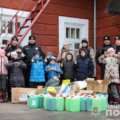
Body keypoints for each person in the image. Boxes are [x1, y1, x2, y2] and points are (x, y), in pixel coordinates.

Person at [5, 36, 18, 101]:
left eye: (16, 41)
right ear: (11, 41)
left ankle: (17, 96)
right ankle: (10, 97)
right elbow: (5, 58)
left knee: (17, 82)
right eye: (13, 41)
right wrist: (7, 56)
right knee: (10, 82)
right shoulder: (8, 49)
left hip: (18, 68)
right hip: (11, 68)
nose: (15, 42)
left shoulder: (19, 48)